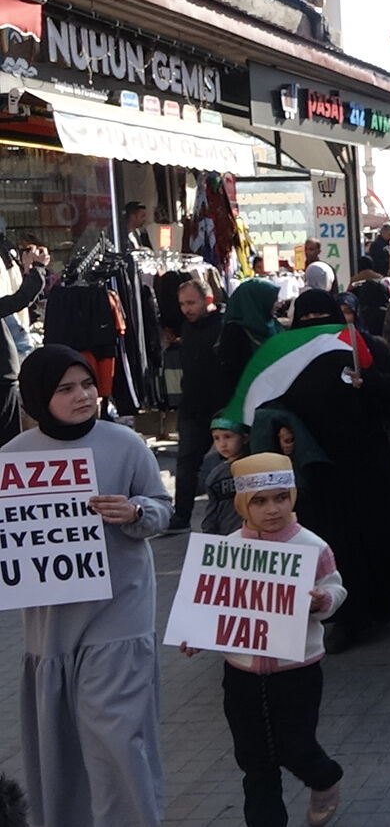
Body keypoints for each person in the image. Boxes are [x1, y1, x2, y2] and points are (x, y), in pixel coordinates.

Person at [5, 345, 171, 827]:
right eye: (65, 388)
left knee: (116, 733)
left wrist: (135, 512)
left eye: (87, 384)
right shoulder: (12, 459)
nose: (82, 396)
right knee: (62, 742)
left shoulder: (125, 443)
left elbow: (162, 508)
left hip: (120, 612)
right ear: (39, 396)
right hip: (52, 624)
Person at [179, 452, 347, 827]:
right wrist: (197, 633)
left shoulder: (312, 546)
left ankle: (325, 777)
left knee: (297, 748)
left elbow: (335, 589)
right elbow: (215, 603)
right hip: (241, 674)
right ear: (242, 503)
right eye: (260, 501)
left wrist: (322, 600)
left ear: (292, 497)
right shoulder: (227, 549)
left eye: (281, 497)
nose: (272, 509)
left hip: (297, 672)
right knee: (253, 759)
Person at [271, 289, 390, 653]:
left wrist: (366, 383)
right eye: (306, 319)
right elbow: (272, 401)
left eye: (320, 317)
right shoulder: (286, 357)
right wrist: (282, 429)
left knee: (369, 533)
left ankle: (378, 601)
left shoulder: (360, 346)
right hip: (317, 464)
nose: (314, 325)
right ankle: (345, 614)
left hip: (364, 462)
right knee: (332, 539)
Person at [170, 280, 228, 532]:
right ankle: (181, 516)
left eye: (191, 303)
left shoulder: (225, 326)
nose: (186, 309)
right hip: (192, 408)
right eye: (182, 304)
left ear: (208, 300)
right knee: (186, 464)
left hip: (221, 408)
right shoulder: (187, 327)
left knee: (230, 463)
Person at [0, 242, 47, 444]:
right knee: (8, 442)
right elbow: (20, 299)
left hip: (5, 375)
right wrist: (37, 268)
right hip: (3, 377)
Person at [218, 277, 281, 392]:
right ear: (258, 300)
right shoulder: (234, 333)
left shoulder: (271, 324)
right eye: (274, 299)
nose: (278, 304)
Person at [200, 417, 250, 535]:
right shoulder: (215, 475)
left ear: (245, 438)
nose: (222, 444)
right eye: (216, 438)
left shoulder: (255, 469)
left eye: (228, 436)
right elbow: (212, 510)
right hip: (226, 536)